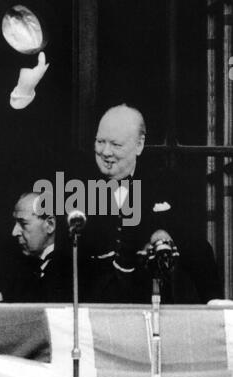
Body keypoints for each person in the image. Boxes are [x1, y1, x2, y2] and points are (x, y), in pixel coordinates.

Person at [80, 103, 222, 303]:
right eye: (100, 141)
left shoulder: (166, 184)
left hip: (151, 307)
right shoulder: (79, 186)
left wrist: (214, 303)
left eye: (116, 144)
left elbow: (197, 248)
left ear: (139, 145)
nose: (105, 151)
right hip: (96, 311)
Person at [3, 192, 72, 303]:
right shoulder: (13, 269)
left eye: (23, 223)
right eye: (15, 223)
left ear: (50, 225)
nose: (14, 232)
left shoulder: (74, 270)